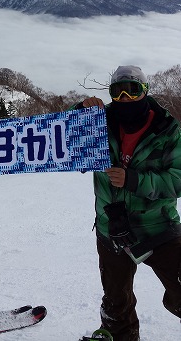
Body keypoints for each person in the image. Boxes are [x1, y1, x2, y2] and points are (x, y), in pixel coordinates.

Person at [72, 66, 181, 341]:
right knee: (115, 301)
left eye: (132, 89)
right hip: (112, 228)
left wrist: (135, 181)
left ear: (145, 91)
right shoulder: (97, 122)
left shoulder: (167, 130)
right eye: (117, 92)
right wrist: (78, 111)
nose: (124, 97)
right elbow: (64, 143)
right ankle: (118, 335)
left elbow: (179, 179)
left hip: (158, 228)